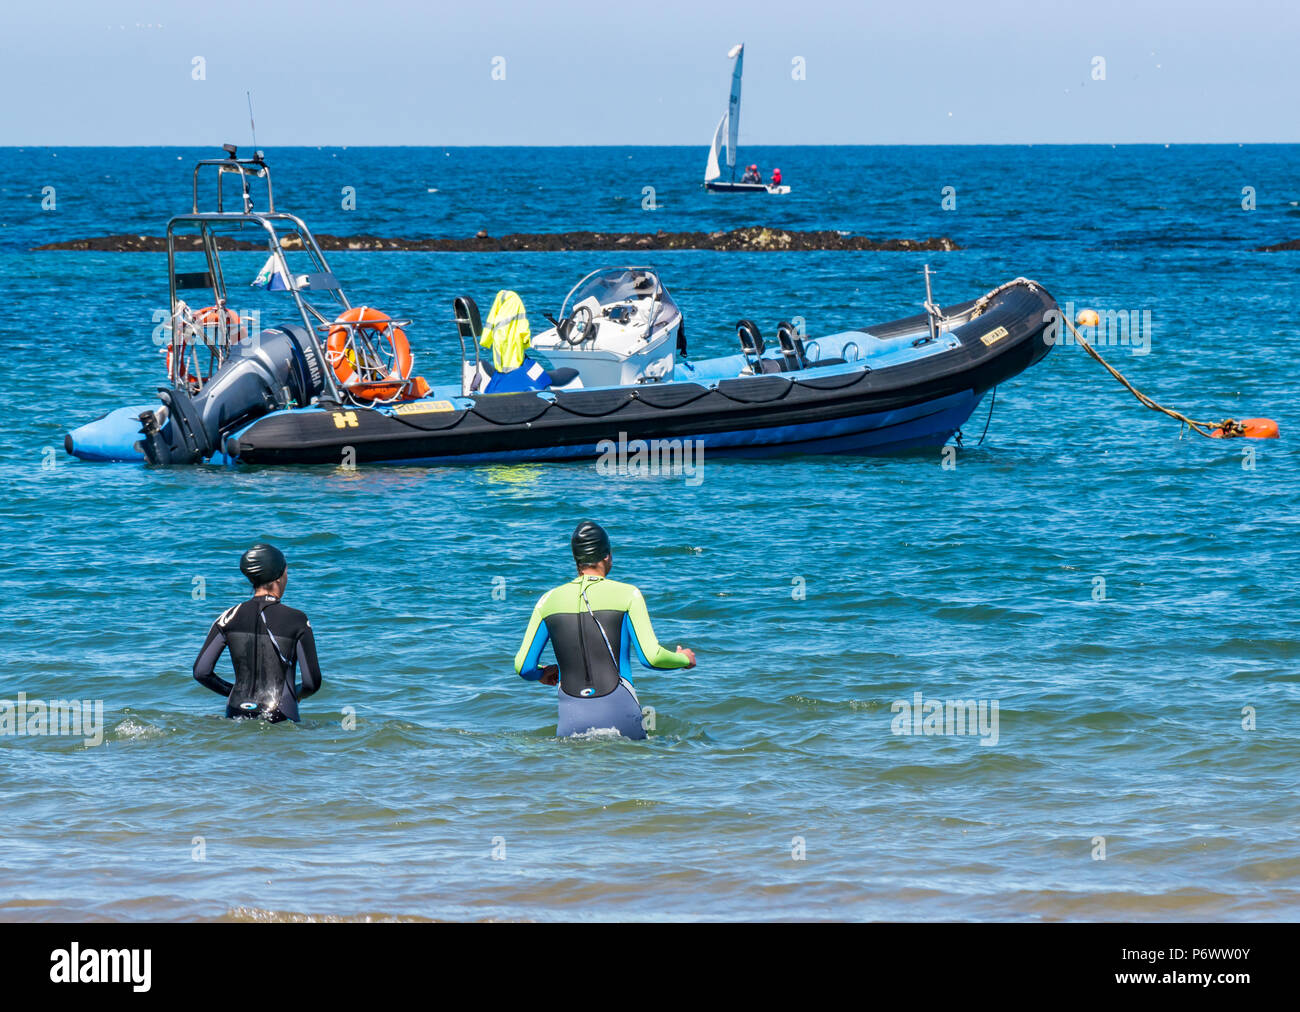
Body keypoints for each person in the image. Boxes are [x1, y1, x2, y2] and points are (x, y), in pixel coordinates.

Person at [515, 521, 695, 739]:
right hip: (621, 715)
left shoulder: (547, 601)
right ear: (607, 556)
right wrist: (683, 659)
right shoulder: (629, 594)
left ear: (576, 560)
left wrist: (543, 672)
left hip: (571, 723)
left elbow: (524, 667)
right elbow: (651, 657)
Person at [193, 543, 322, 723]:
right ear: (278, 577)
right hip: (280, 713)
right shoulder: (297, 619)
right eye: (286, 572)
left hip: (236, 711)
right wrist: (295, 695)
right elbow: (311, 683)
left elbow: (201, 672)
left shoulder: (228, 617)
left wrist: (234, 692)